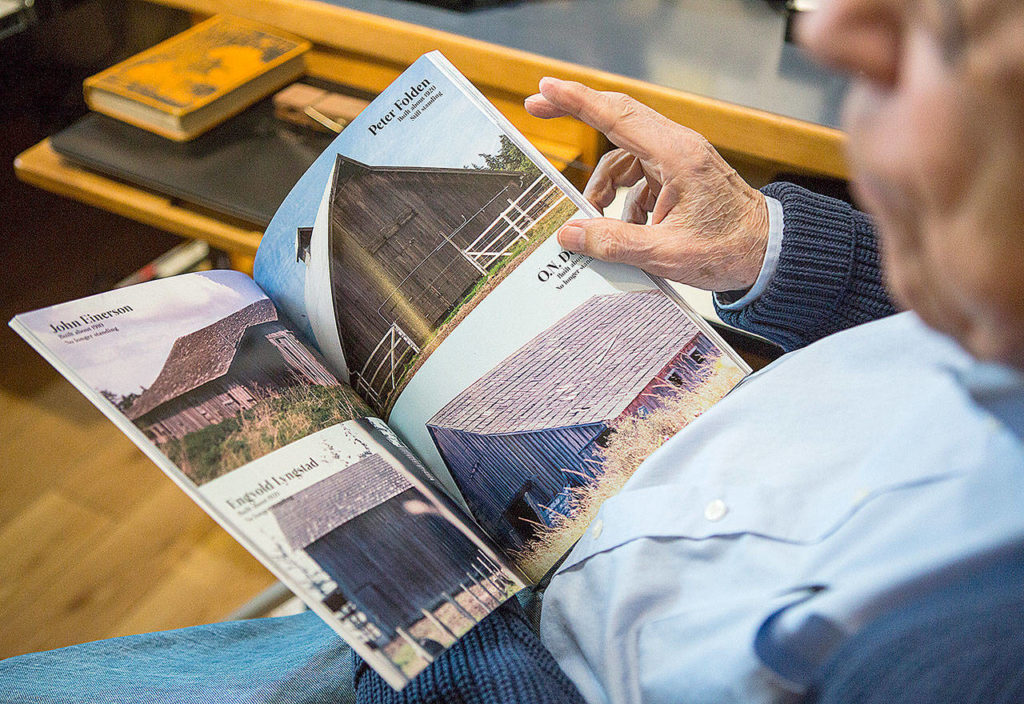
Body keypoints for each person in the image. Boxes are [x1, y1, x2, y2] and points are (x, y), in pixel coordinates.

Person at [3, 0, 1023, 701]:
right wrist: (771, 247)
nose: (833, 24)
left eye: (958, 25)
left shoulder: (961, 650)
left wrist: (432, 603)